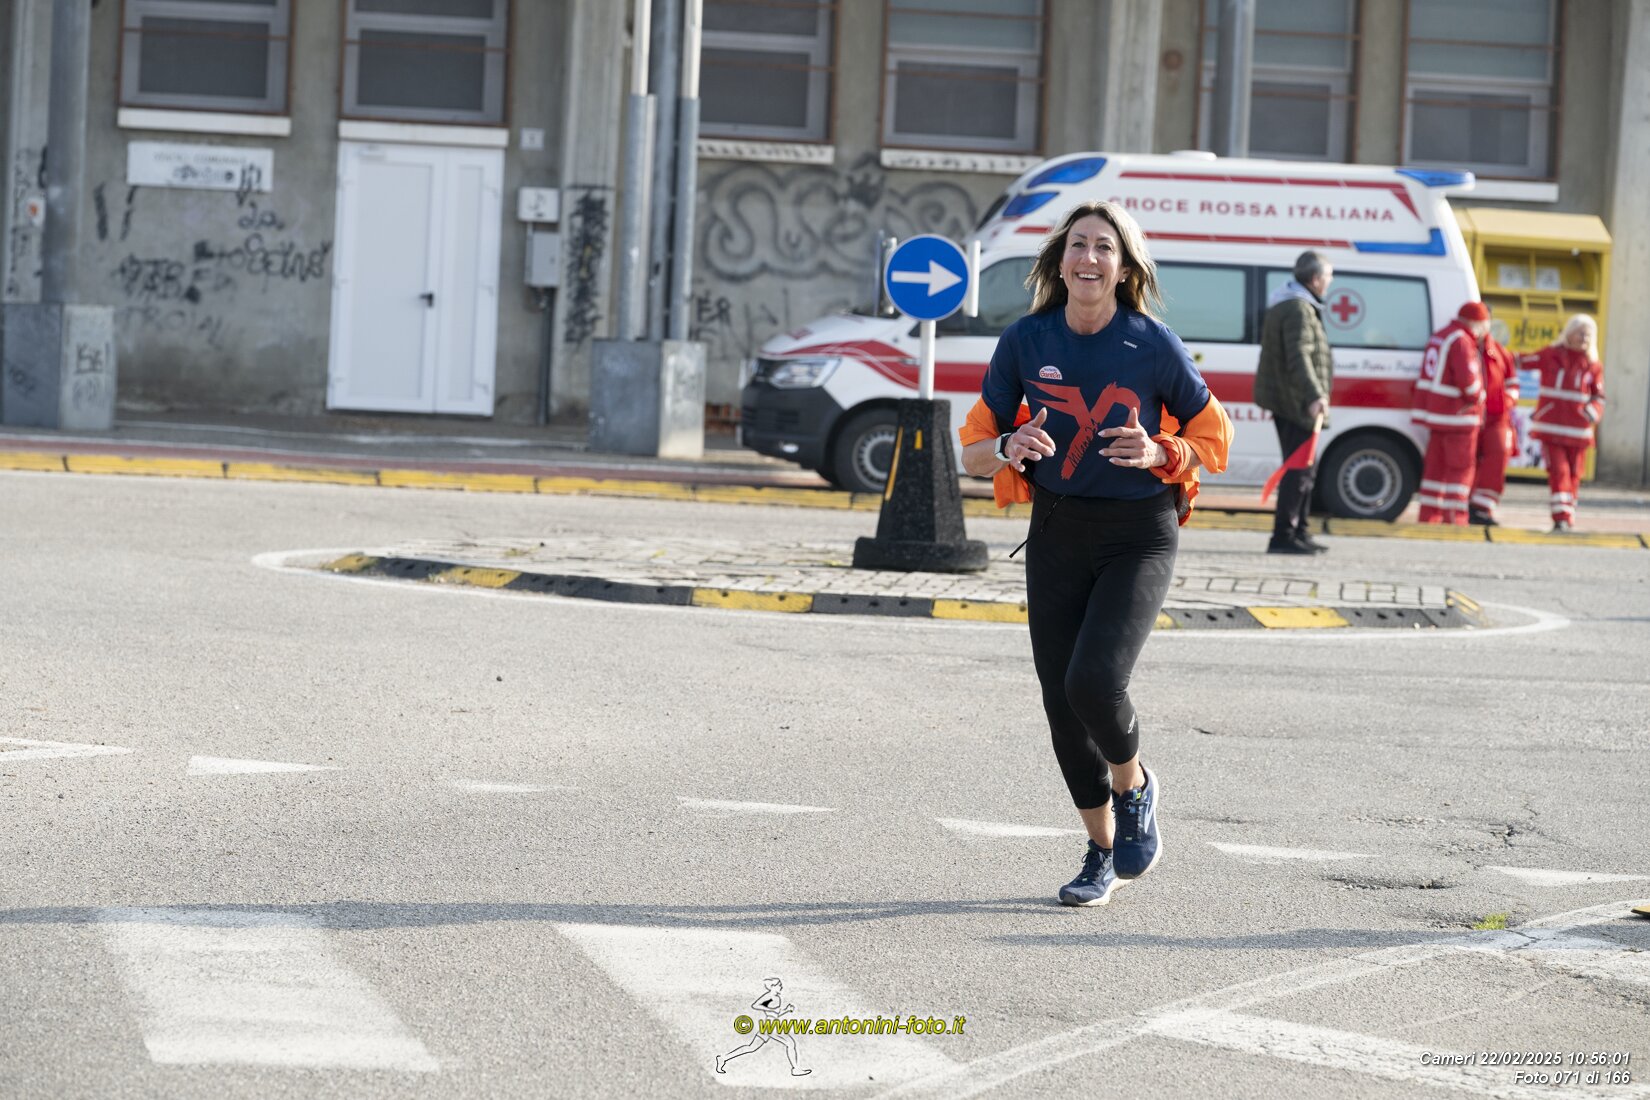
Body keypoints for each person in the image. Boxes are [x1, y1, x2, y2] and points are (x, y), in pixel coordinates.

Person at [955, 200, 1231, 907]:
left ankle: (1134, 786)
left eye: (1105, 247)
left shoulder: (1152, 343)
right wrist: (1008, 444)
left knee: (1094, 682)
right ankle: (1102, 851)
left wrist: (1162, 450)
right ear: (1059, 260)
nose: (1089, 258)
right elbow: (974, 452)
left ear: (1125, 267)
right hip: (1055, 531)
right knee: (1060, 703)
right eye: (1078, 244)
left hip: (1138, 534)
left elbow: (1214, 437)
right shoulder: (1025, 340)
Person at [1254, 250, 1334, 554]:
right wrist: (1314, 395)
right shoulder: (1298, 308)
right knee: (1299, 469)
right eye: (1328, 277)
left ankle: (1299, 530)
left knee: (1305, 468)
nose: (1329, 283)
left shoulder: (1296, 304)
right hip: (1295, 402)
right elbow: (1299, 355)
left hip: (1294, 399)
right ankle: (1284, 535)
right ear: (1315, 279)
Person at [1518, 314, 1605, 532]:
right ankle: (1561, 517)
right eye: (1580, 332)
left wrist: (1590, 414)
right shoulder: (1551, 355)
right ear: (1569, 333)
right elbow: (1522, 361)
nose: (1584, 338)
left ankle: (1568, 514)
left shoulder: (1593, 365)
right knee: (1560, 472)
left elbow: (1599, 397)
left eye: (1588, 334)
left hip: (1579, 432)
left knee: (1574, 475)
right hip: (1551, 428)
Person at [1413, 302, 1489, 524]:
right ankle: (1455, 517)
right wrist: (1480, 397)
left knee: (1435, 469)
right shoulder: (1462, 341)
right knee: (1460, 469)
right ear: (1477, 323)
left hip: (1436, 415)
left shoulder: (1440, 336)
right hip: (1458, 417)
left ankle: (1429, 515)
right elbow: (1468, 382)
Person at [1468, 321, 1520, 526]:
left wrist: (1505, 401)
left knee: (1497, 456)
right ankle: (1465, 503)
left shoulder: (1500, 352)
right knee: (1468, 460)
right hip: (1470, 415)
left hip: (1497, 417)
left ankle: (1482, 508)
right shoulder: (1463, 347)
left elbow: (1513, 384)